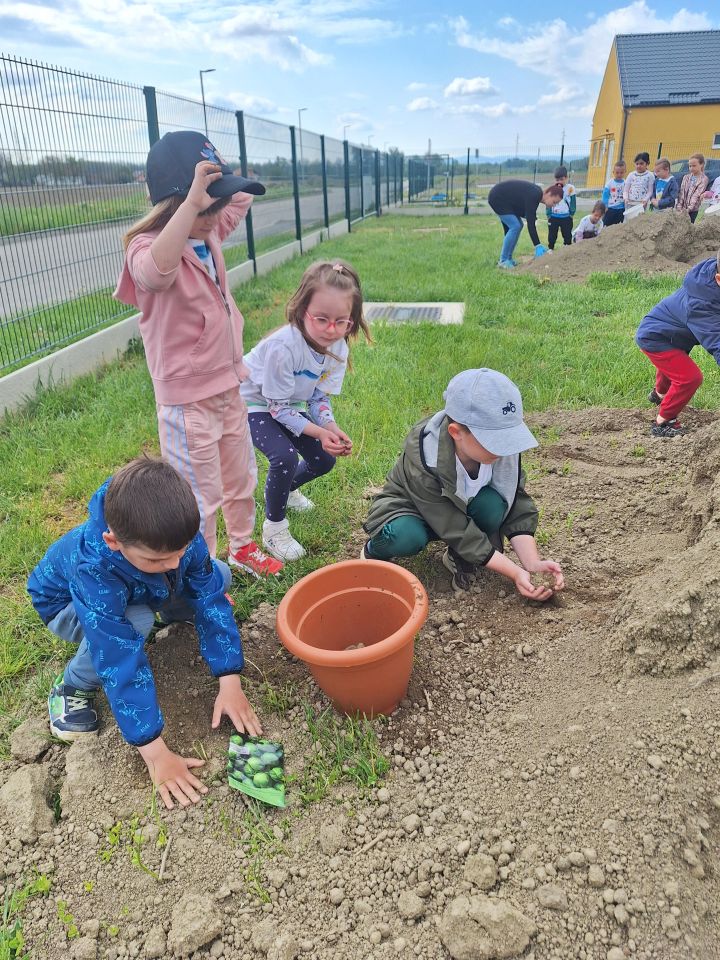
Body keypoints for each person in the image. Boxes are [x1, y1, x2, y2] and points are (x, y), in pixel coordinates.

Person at [27, 458, 262, 809]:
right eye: (157, 560)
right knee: (133, 623)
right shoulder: (94, 566)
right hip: (66, 605)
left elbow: (210, 597)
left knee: (218, 576)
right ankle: (72, 685)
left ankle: (166, 607)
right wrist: (155, 753)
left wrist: (231, 680)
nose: (172, 563)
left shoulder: (176, 536)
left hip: (135, 584)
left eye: (180, 552)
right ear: (114, 540)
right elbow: (117, 655)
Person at [114, 130, 281, 578]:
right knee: (199, 493)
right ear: (172, 205)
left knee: (241, 476)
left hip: (229, 385)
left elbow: (238, 201)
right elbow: (156, 275)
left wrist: (224, 179)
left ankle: (243, 546)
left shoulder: (209, 231)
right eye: (203, 208)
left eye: (216, 206)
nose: (215, 216)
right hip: (187, 403)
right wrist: (191, 202)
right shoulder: (146, 247)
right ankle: (201, 572)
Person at [361, 369, 564, 599]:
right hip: (411, 511)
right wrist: (514, 572)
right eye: (494, 441)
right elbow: (455, 527)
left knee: (494, 506)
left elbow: (515, 503)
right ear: (456, 432)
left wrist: (531, 563)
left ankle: (459, 556)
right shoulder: (425, 459)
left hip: (459, 511)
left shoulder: (500, 452)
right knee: (405, 535)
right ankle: (372, 551)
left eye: (508, 438)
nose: (504, 448)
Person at [241, 261, 371, 562]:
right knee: (284, 455)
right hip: (252, 404)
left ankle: (283, 490)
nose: (331, 329)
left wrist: (331, 426)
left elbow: (317, 398)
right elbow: (276, 408)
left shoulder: (338, 347)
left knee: (322, 459)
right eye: (322, 319)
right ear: (302, 310)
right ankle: (274, 528)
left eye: (342, 322)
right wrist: (319, 431)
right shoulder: (282, 348)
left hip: (288, 404)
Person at [635, 250, 720, 437]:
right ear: (719, 279)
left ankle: (659, 395)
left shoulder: (708, 278)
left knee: (675, 365)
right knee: (690, 378)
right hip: (655, 337)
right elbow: (717, 343)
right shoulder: (702, 305)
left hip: (671, 334)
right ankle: (664, 422)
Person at [487, 180, 564, 269]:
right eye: (554, 202)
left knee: (518, 225)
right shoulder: (535, 195)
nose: (554, 206)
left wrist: (531, 216)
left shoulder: (536, 194)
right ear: (548, 194)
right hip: (497, 198)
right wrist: (537, 245)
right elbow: (531, 224)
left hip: (505, 201)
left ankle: (508, 258)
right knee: (515, 226)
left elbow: (523, 207)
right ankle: (503, 261)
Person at [546, 165, 577, 249]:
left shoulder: (571, 188)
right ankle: (550, 248)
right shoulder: (552, 188)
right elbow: (548, 202)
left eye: (561, 179)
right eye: (557, 180)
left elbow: (573, 202)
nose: (559, 181)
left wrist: (572, 213)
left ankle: (567, 247)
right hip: (554, 216)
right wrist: (548, 214)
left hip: (566, 217)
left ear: (566, 178)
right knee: (552, 234)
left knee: (567, 234)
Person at [676, 154, 710, 223]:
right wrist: (679, 207)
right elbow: (681, 193)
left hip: (693, 210)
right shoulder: (686, 177)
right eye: (690, 166)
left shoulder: (704, 179)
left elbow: (696, 196)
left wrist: (687, 210)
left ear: (701, 165)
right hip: (682, 208)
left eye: (694, 166)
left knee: (689, 228)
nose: (691, 168)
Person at [602, 160, 626, 226]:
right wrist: (605, 206)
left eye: (621, 173)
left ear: (625, 172)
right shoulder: (609, 183)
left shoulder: (626, 183)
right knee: (606, 225)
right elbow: (605, 196)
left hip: (621, 209)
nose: (619, 174)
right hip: (611, 209)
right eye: (617, 172)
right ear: (613, 172)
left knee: (618, 226)